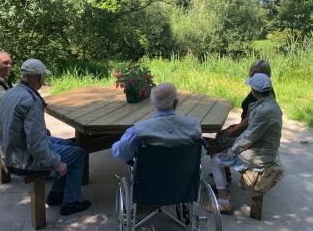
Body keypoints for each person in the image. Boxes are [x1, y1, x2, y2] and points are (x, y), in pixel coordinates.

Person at [0, 59, 91, 216]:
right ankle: (70, 202)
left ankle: (56, 194)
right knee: (79, 154)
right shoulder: (30, 101)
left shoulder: (11, 93)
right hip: (24, 157)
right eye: (43, 77)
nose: (44, 80)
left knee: (72, 146)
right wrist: (56, 163)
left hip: (12, 149)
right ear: (39, 77)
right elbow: (35, 146)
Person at [211, 73, 282, 213]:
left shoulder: (263, 110)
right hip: (264, 149)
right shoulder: (271, 104)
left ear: (254, 90)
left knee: (216, 159)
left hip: (260, 156)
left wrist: (231, 151)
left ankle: (224, 201)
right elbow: (252, 130)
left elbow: (249, 137)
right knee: (223, 141)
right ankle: (224, 191)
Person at [209, 59, 275, 181]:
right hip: (248, 130)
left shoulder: (261, 93)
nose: (251, 72)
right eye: (251, 70)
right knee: (221, 134)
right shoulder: (265, 90)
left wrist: (232, 132)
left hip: (251, 138)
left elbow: (249, 123)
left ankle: (221, 180)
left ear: (264, 74)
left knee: (216, 141)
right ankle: (224, 173)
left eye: (255, 71)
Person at [112, 82, 202, 162]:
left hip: (149, 179)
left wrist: (115, 145)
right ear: (175, 103)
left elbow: (120, 153)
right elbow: (201, 153)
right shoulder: (193, 126)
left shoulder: (138, 131)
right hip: (184, 179)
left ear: (153, 103)